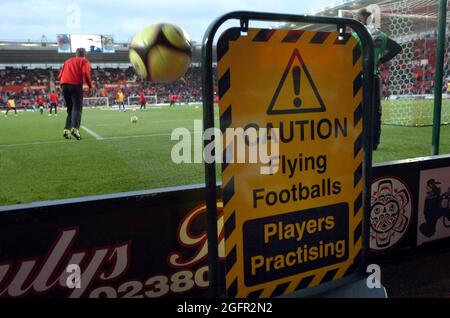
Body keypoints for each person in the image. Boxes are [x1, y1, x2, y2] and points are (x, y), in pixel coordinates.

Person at [354, 8, 402, 151]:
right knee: (375, 111)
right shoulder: (382, 36)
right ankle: (374, 142)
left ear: (359, 20)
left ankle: (358, 141)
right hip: (374, 77)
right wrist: (381, 60)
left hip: (359, 77)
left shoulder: (357, 36)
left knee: (358, 111)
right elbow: (397, 48)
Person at [58, 47, 93, 140]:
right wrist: (90, 86)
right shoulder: (84, 61)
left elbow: (59, 75)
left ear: (76, 54)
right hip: (75, 85)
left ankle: (66, 129)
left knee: (70, 109)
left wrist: (62, 85)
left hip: (64, 85)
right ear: (85, 54)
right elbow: (86, 73)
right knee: (77, 108)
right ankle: (75, 129)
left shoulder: (67, 61)